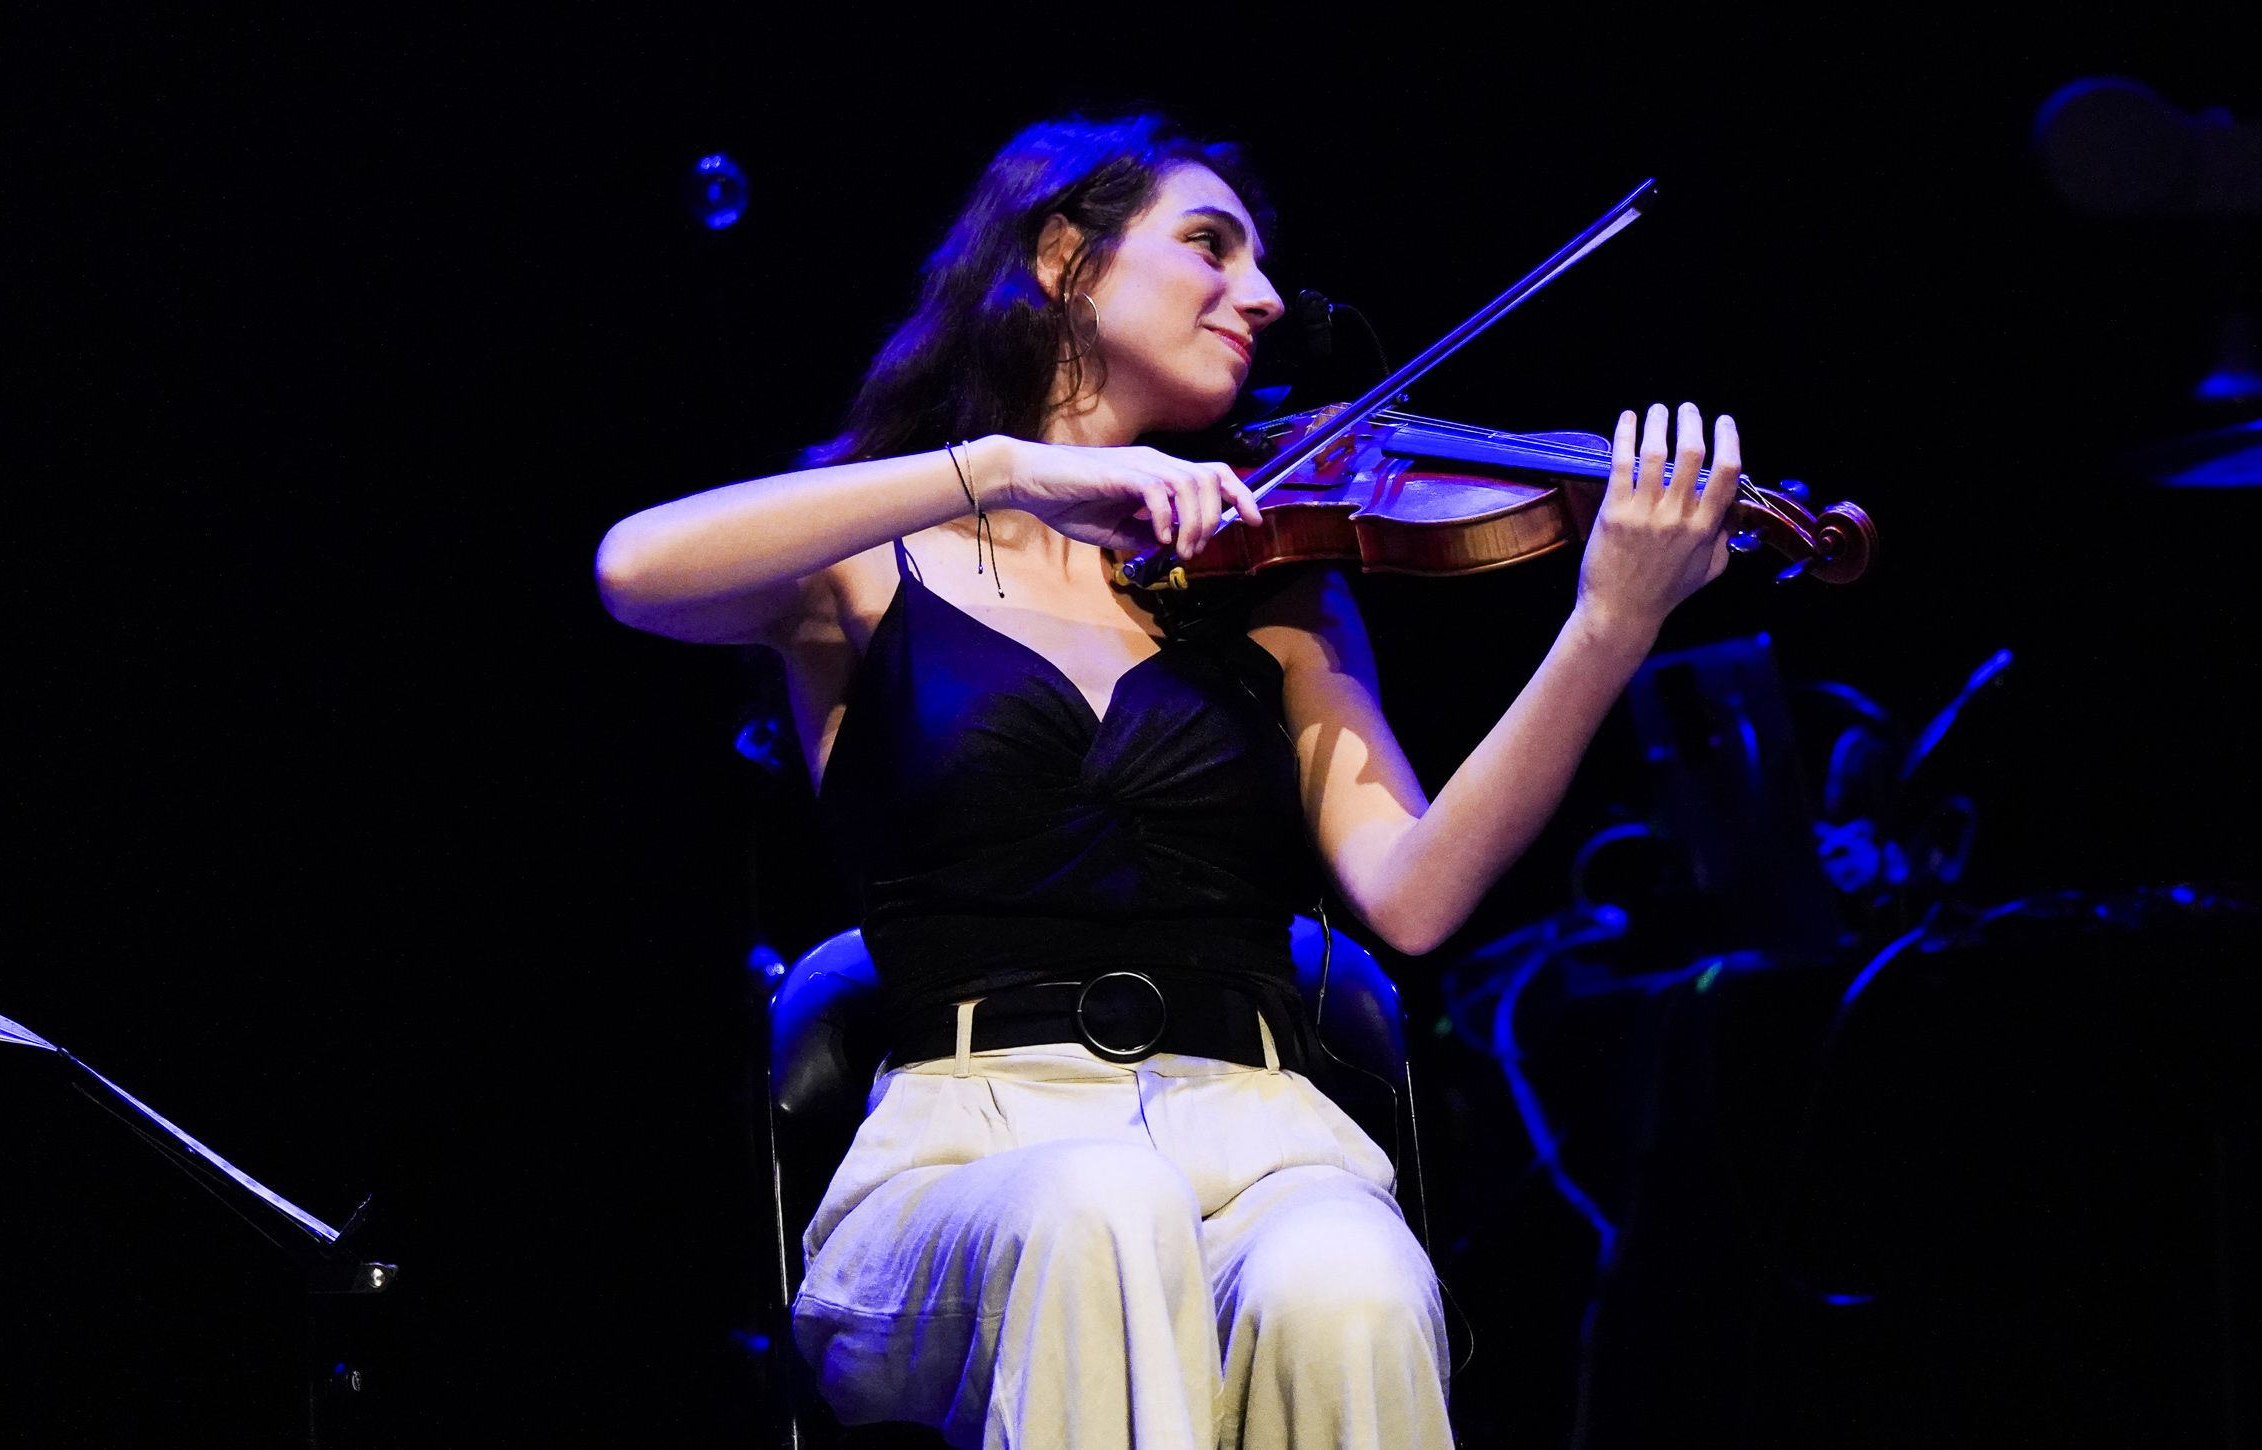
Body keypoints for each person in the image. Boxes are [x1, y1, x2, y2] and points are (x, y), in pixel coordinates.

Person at [594, 113, 1744, 1450]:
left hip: (1265, 1137)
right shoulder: (873, 549)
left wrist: (1606, 624)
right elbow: (635, 568)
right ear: (1064, 259)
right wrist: (1006, 468)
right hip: (969, 1151)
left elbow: (1415, 896)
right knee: (1101, 1201)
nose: (1260, 295)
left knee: (1354, 1280)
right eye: (1210, 245)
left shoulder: (1276, 579)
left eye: (1259, 262)